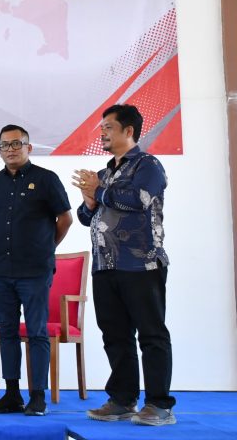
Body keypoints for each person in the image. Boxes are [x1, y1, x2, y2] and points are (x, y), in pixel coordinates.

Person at [73, 104, 175, 426]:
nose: (102, 132)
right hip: (105, 266)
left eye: (108, 127)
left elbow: (138, 200)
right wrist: (90, 200)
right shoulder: (103, 174)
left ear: (128, 131)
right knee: (115, 335)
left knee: (151, 334)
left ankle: (159, 405)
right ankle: (122, 399)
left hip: (141, 264)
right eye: (102, 127)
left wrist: (98, 192)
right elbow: (86, 217)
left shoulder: (148, 165)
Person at [0, 124, 72, 416]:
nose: (11, 149)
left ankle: (38, 397)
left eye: (16, 144)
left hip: (34, 272)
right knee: (6, 332)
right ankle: (12, 395)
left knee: (37, 333)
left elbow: (65, 219)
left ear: (28, 147)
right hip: (0, 271)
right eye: (5, 145)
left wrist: (46, 248)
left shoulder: (46, 179)